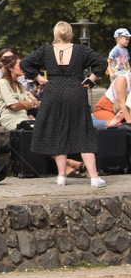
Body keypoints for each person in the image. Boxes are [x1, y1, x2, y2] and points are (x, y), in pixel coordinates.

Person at [22, 21, 107, 186]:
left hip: (53, 91)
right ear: (70, 33)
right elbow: (101, 63)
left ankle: (61, 176)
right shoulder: (81, 50)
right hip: (75, 90)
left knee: (58, 130)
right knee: (83, 131)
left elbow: (25, 63)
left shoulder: (46, 50)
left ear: (55, 33)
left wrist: (38, 77)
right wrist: (91, 79)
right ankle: (94, 177)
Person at [0, 52, 39, 132]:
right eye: (19, 66)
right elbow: (14, 106)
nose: (22, 68)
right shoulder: (2, 82)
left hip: (24, 118)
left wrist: (16, 102)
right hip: (11, 119)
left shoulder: (20, 86)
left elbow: (30, 105)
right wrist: (20, 104)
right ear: (11, 68)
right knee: (29, 128)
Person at [92, 47, 131, 128]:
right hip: (105, 108)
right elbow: (121, 103)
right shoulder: (122, 79)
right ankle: (91, 121)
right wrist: (129, 122)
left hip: (120, 111)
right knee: (118, 127)